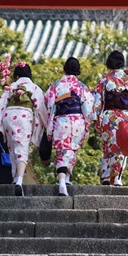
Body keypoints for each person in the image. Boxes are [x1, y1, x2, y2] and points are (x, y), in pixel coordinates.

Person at [43, 56, 93, 197]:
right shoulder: (81, 87)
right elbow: (88, 109)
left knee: (61, 151)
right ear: (78, 70)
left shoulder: (56, 85)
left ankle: (62, 181)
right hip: (77, 121)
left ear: (65, 68)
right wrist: (87, 125)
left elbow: (48, 103)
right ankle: (67, 178)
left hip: (61, 121)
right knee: (71, 150)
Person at [0, 62, 49, 196]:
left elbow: (0, 106)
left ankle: (15, 178)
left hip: (8, 116)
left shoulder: (11, 87)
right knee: (22, 148)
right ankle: (20, 180)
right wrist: (48, 126)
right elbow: (41, 109)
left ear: (17, 75)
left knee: (12, 148)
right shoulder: (34, 88)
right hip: (24, 116)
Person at [91, 50, 128, 185]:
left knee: (108, 147)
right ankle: (117, 177)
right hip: (124, 118)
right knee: (121, 147)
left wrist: (97, 120)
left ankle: (106, 176)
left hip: (108, 118)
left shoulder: (104, 81)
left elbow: (96, 102)